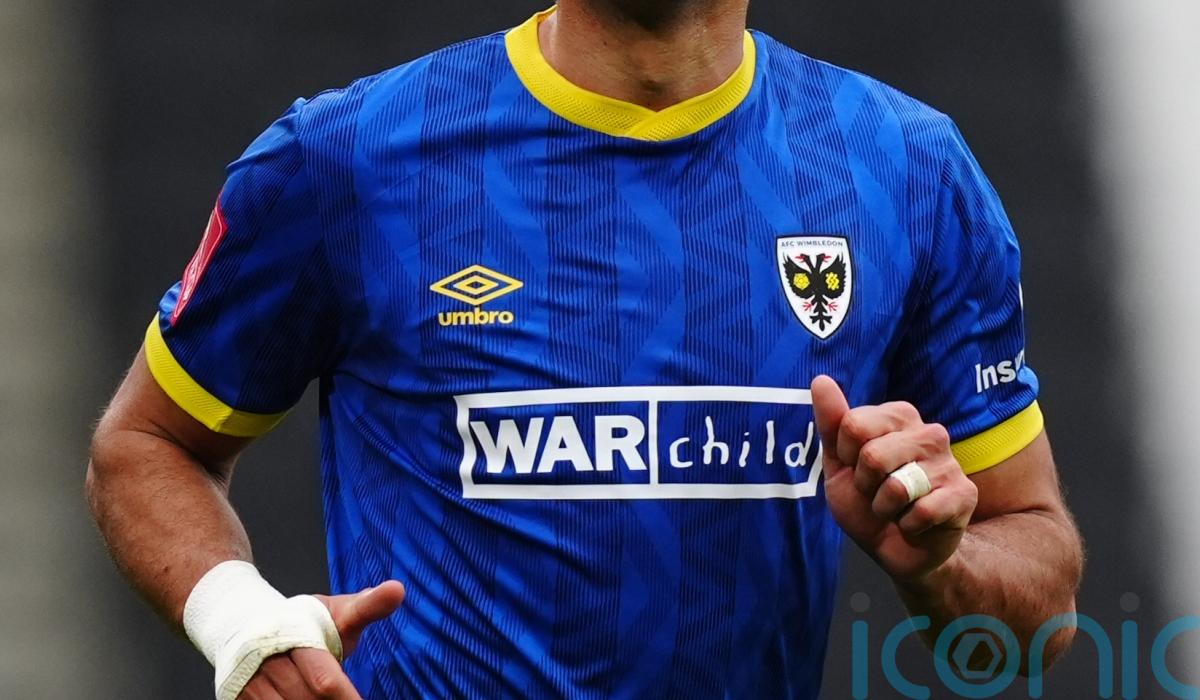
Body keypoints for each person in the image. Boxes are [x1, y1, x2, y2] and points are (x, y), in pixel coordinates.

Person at [86, 0, 1084, 697]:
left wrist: (942, 565)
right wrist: (242, 623)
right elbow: (146, 444)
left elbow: (1038, 614)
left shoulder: (907, 169)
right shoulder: (344, 158)